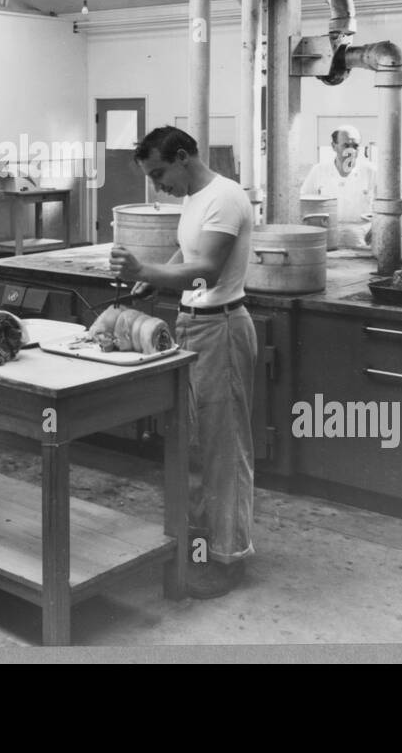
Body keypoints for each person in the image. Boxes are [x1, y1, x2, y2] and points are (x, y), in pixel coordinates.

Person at [108, 126, 256, 599]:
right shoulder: (194, 197)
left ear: (184, 156)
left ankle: (228, 558)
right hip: (193, 323)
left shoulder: (225, 197)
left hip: (223, 329)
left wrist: (144, 269)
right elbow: (188, 253)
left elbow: (209, 267)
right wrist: (156, 282)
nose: (157, 187)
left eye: (158, 174)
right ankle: (202, 544)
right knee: (192, 444)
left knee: (223, 448)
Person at [300, 124, 376, 248]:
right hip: (327, 235)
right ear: (334, 146)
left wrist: (376, 229)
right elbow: (304, 203)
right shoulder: (319, 170)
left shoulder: (371, 171)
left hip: (362, 236)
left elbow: (383, 207)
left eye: (355, 146)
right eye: (346, 145)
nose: (351, 150)